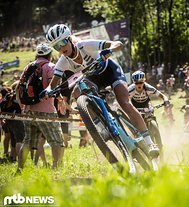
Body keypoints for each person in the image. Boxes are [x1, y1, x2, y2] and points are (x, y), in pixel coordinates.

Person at [43, 24, 159, 158]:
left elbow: (118, 43)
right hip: (94, 79)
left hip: (110, 72)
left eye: (63, 42)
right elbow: (53, 84)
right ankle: (101, 126)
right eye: (57, 46)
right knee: (76, 91)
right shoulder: (62, 62)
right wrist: (47, 91)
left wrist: (109, 50)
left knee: (124, 103)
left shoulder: (85, 45)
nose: (61, 48)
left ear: (69, 39)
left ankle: (150, 143)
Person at [16, 43, 64, 171]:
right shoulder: (50, 67)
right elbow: (53, 87)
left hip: (28, 110)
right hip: (46, 111)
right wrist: (61, 100)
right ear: (50, 54)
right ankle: (56, 168)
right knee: (56, 141)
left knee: (27, 141)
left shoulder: (28, 67)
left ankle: (19, 169)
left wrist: (22, 105)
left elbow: (18, 88)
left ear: (37, 53)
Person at [128, 70, 170, 154]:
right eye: (136, 83)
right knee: (134, 126)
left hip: (146, 105)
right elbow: (127, 100)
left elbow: (162, 95)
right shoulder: (130, 89)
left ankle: (156, 134)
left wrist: (166, 100)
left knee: (151, 114)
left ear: (144, 81)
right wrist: (132, 110)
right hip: (135, 106)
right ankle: (137, 144)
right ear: (133, 83)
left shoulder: (148, 87)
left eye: (141, 82)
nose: (139, 85)